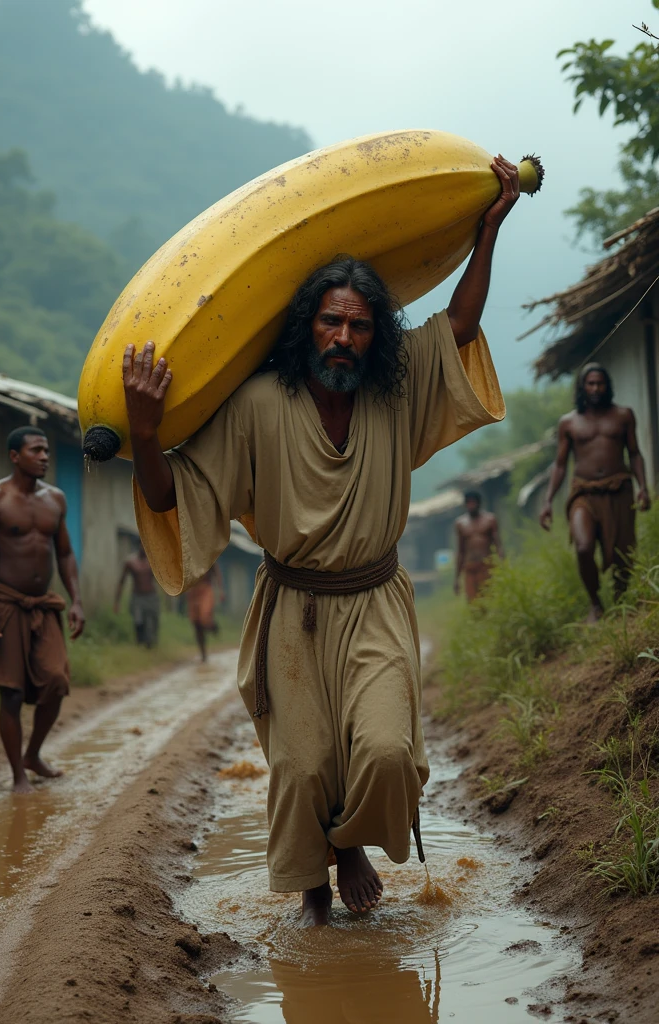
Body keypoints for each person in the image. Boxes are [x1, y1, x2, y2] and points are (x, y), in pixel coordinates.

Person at [124, 155, 519, 926]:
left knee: (383, 752)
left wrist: (489, 230)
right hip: (293, 610)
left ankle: (347, 844)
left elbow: (460, 328)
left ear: (378, 337)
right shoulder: (259, 405)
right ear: (307, 327)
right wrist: (143, 432)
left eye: (360, 325)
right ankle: (317, 880)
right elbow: (176, 491)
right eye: (330, 321)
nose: (344, 336)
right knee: (301, 768)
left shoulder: (395, 395)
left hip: (374, 601)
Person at [0, 426, 85, 793]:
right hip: (4, 601)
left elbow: (65, 553)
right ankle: (18, 776)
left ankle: (32, 754)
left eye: (47, 450)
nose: (45, 457)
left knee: (56, 680)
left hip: (43, 604)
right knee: (12, 692)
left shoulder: (56, 500)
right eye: (36, 450)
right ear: (14, 456)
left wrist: (77, 600)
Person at [539, 363, 651, 621]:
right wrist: (547, 501)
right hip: (583, 493)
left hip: (619, 489)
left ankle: (622, 601)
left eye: (600, 383)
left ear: (607, 385)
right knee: (583, 546)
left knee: (623, 552)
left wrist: (643, 487)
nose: (595, 388)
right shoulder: (568, 422)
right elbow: (559, 464)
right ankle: (595, 603)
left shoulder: (623, 415)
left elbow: (634, 453)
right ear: (582, 387)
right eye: (590, 383)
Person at [453, 490, 503, 601]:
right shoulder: (461, 523)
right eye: (469, 503)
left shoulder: (490, 520)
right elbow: (460, 551)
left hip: (487, 566)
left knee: (489, 598)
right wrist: (457, 578)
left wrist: (502, 567)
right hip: (470, 568)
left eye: (473, 502)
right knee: (473, 602)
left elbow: (498, 545)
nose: (471, 505)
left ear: (479, 503)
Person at [114, 541, 160, 647]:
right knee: (138, 621)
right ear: (139, 545)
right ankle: (140, 643)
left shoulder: (152, 562)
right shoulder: (131, 562)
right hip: (137, 597)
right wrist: (117, 602)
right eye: (142, 544)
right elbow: (122, 582)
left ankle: (151, 644)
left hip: (151, 596)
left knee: (152, 621)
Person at [185, 562, 225, 662]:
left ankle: (213, 627)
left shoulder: (207, 552)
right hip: (192, 590)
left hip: (205, 589)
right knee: (196, 623)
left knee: (204, 617)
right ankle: (203, 653)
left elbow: (217, 573)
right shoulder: (188, 554)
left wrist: (221, 591)